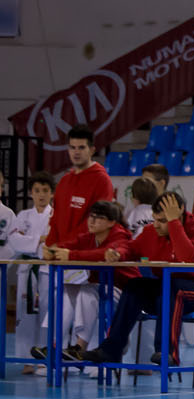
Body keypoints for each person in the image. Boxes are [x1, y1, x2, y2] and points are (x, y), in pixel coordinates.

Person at [82, 193, 194, 367]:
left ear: (178, 217)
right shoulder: (152, 232)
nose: (156, 224)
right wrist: (117, 252)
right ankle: (111, 349)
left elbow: (186, 257)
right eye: (155, 219)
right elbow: (131, 247)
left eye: (163, 220)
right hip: (170, 290)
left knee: (174, 288)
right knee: (136, 286)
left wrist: (173, 225)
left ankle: (167, 352)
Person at [40, 125, 116, 361]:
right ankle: (54, 349)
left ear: (92, 149)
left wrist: (68, 249)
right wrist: (50, 246)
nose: (76, 152)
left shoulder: (101, 180)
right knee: (62, 301)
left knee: (84, 303)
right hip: (62, 255)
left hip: (84, 256)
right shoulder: (64, 181)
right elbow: (56, 218)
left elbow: (98, 222)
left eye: (81, 147)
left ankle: (78, 353)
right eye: (72, 147)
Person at [9, 173, 55, 373]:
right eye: (37, 191)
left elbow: (53, 241)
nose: (41, 195)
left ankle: (46, 359)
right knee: (25, 315)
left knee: (47, 314)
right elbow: (14, 241)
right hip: (27, 270)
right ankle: (26, 360)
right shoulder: (22, 216)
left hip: (46, 270)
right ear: (30, 193)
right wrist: (39, 240)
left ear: (52, 193)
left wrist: (32, 240)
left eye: (45, 191)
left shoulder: (56, 215)